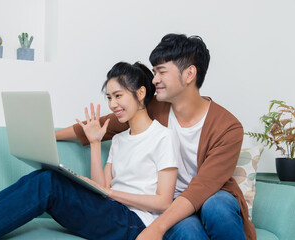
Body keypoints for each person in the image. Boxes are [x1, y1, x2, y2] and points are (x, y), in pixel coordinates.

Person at [0, 62, 179, 240]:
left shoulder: (163, 137)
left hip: (135, 224)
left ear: (140, 94)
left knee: (48, 184)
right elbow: (102, 188)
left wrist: (111, 194)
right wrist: (95, 143)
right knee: (43, 177)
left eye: (118, 96)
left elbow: (163, 202)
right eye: (109, 97)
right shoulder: (118, 140)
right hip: (111, 211)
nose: (112, 104)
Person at [56, 34, 256, 240]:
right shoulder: (155, 108)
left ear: (189, 74)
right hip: (170, 202)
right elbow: (102, 125)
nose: (154, 80)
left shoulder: (229, 128)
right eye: (153, 72)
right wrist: (51, 134)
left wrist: (157, 228)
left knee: (217, 207)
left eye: (161, 72)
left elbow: (202, 188)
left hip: (209, 197)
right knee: (188, 231)